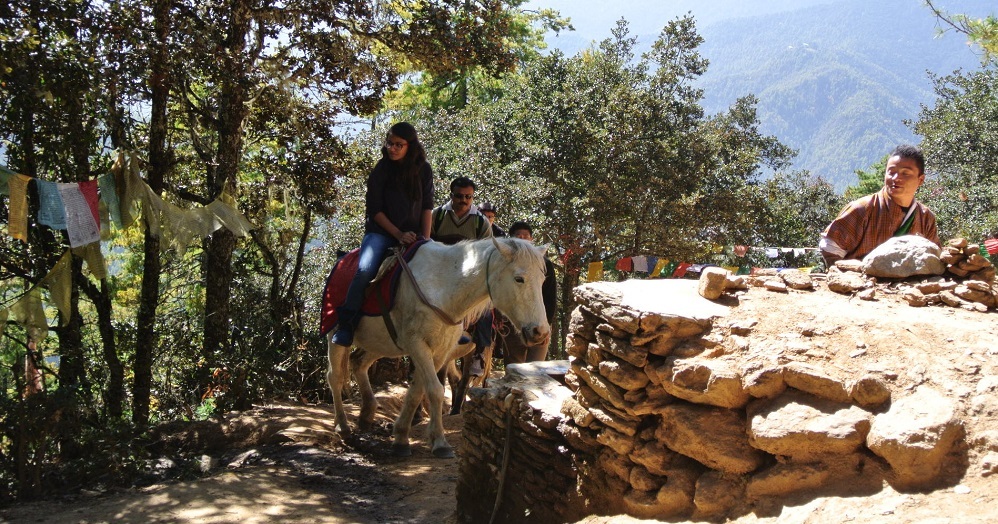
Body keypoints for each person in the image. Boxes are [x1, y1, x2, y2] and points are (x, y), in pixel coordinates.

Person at [331, 122, 434, 347]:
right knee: (365, 269)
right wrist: (398, 234)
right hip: (381, 233)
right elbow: (374, 210)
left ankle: (450, 330)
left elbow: (427, 206)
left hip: (415, 235)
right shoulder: (381, 170)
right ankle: (346, 324)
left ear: (410, 146)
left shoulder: (424, 170)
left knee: (438, 267)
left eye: (399, 145)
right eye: (390, 143)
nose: (392, 148)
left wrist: (425, 240)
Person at [819, 144, 940, 268]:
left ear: (921, 180)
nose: (896, 178)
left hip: (908, 286)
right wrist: (848, 274)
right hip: (861, 284)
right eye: (891, 172)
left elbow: (934, 256)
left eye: (905, 173)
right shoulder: (862, 209)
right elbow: (830, 247)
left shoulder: (926, 218)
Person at [431, 176, 492, 375]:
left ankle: (479, 352)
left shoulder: (480, 222)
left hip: (467, 275)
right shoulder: (437, 215)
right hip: (438, 273)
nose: (463, 200)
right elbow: (425, 244)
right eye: (459, 196)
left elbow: (487, 253)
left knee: (484, 309)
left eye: (468, 197)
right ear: (452, 195)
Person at [502, 221, 557, 363]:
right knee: (514, 370)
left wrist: (547, 327)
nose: (522, 238)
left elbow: (550, 299)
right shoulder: (506, 265)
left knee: (536, 371)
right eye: (518, 236)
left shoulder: (545, 264)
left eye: (525, 236)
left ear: (532, 239)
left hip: (539, 326)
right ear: (511, 240)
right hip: (513, 326)